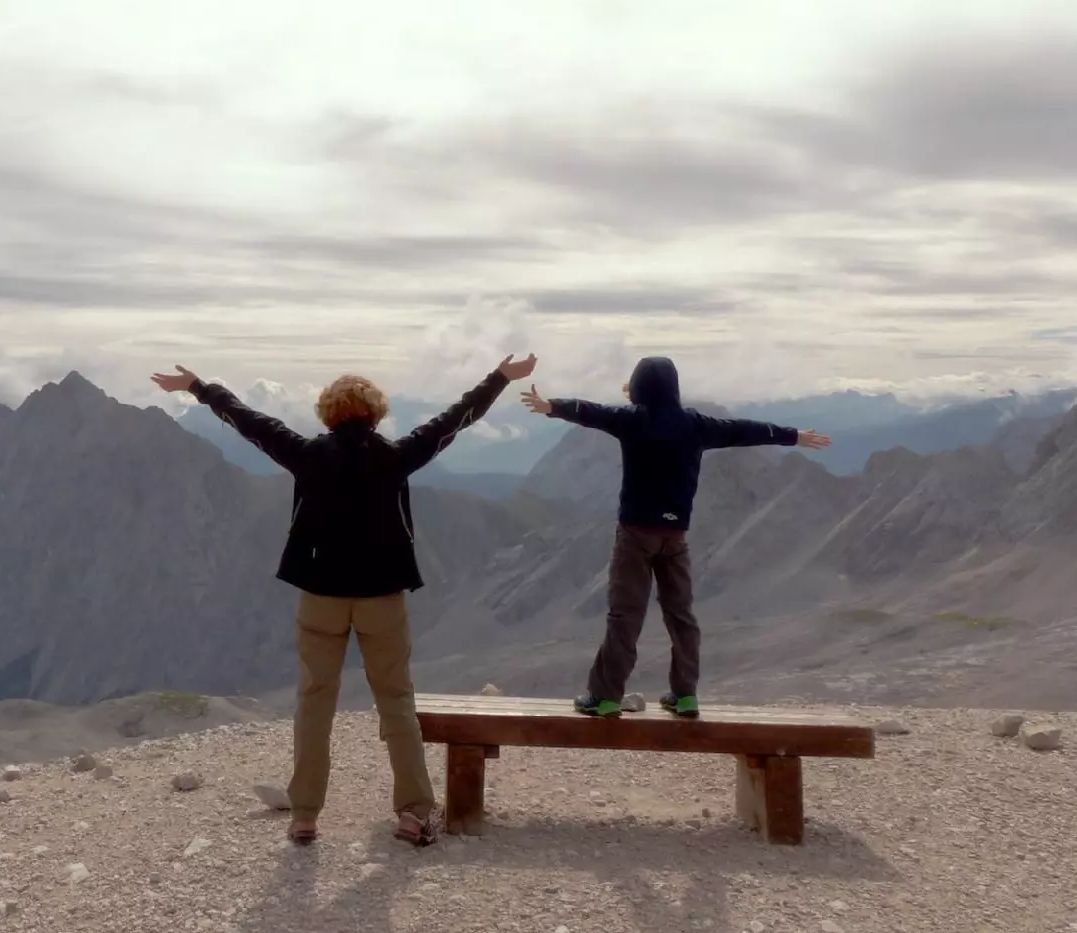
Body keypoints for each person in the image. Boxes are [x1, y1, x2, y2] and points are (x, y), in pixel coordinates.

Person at [152, 353, 538, 845]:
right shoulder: (397, 456)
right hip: (382, 598)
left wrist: (198, 387)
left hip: (320, 599)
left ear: (328, 415)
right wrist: (500, 378)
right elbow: (454, 421)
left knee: (314, 703)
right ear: (375, 414)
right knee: (396, 701)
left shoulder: (306, 455)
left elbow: (251, 423)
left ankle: (305, 815)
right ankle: (414, 813)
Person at [520, 356, 831, 719]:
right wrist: (794, 436)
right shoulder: (695, 425)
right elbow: (743, 430)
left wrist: (551, 407)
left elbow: (593, 412)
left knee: (626, 615)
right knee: (681, 615)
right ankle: (685, 696)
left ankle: (605, 698)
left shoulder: (632, 421)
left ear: (638, 387)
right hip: (675, 537)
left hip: (636, 534)